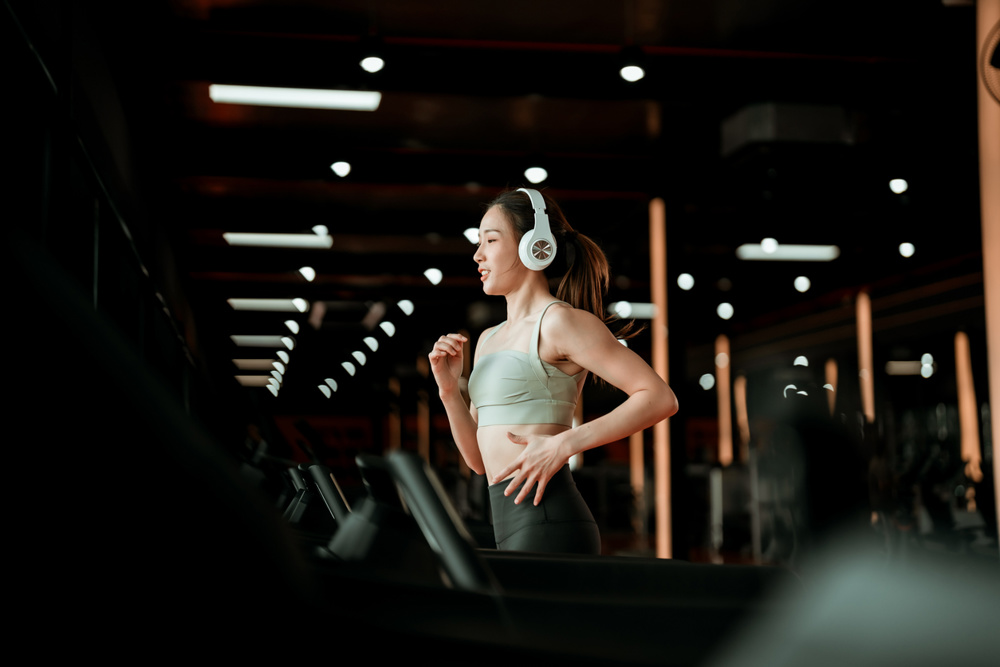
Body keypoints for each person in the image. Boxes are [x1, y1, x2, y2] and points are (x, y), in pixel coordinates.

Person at [429, 188, 678, 554]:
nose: (477, 254)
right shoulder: (487, 339)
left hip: (549, 519)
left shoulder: (560, 322)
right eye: (477, 242)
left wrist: (565, 444)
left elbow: (659, 398)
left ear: (535, 244)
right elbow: (479, 463)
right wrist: (450, 392)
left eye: (491, 240)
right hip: (506, 521)